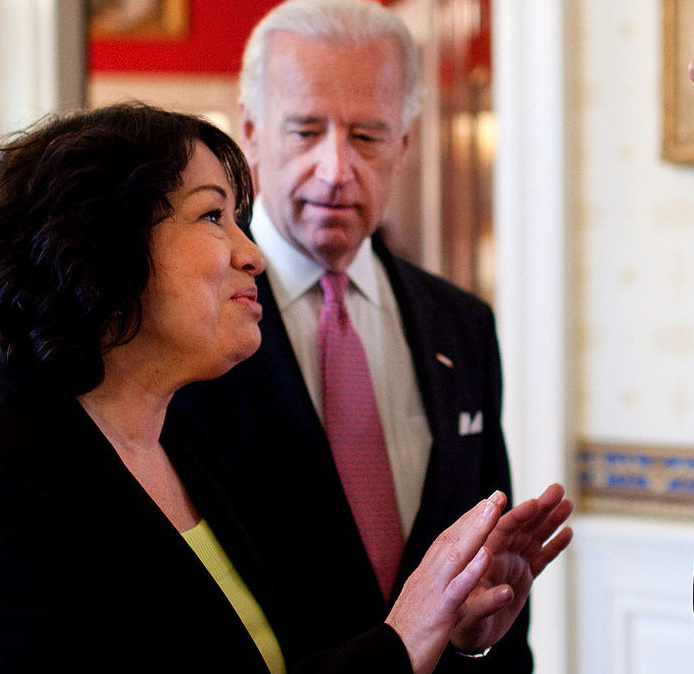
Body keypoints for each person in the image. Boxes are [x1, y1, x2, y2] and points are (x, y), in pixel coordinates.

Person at [0, 102, 571, 673]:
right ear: (101, 244)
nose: (253, 254)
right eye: (213, 217)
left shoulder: (176, 441)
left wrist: (440, 628)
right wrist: (396, 646)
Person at [174, 1, 551, 670]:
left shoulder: (462, 324)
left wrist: (480, 636)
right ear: (252, 132)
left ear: (406, 143)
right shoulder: (185, 327)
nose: (336, 169)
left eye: (368, 136)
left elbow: (485, 571)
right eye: (306, 130)